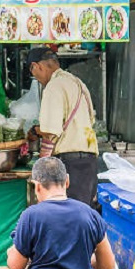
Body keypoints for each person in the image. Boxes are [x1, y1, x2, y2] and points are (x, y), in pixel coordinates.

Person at [26, 47, 99, 206]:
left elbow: (50, 130)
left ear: (37, 66)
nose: (38, 80)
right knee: (83, 213)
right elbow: (90, 118)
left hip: (71, 164)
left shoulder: (54, 86)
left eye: (35, 75)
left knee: (69, 216)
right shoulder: (77, 83)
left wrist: (35, 131)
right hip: (90, 161)